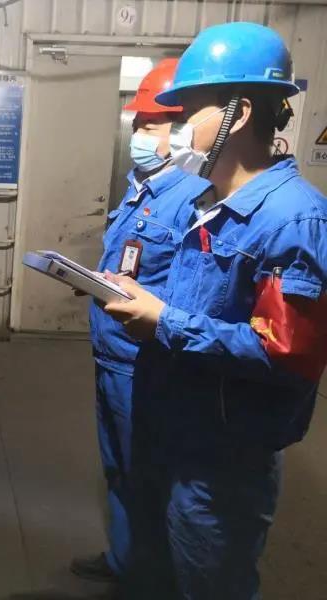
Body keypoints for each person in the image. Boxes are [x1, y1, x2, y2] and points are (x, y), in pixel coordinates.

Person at [103, 22, 327, 600]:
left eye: (189, 112)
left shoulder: (291, 218)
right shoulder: (210, 204)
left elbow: (285, 355)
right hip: (178, 429)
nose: (179, 127)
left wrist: (164, 320)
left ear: (239, 113)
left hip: (224, 459)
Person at [73, 58, 211, 584]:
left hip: (146, 366)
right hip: (110, 355)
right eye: (138, 123)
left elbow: (194, 292)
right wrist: (94, 281)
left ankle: (149, 581)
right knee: (118, 469)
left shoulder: (192, 198)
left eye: (151, 125)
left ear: (183, 130)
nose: (139, 134)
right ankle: (124, 562)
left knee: (149, 478)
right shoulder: (140, 188)